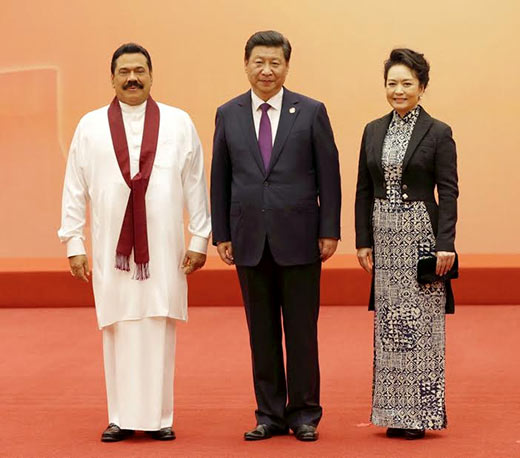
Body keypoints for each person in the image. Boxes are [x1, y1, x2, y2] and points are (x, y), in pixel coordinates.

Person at [58, 43, 211, 442]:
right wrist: (74, 242)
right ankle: (120, 416)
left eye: (140, 70)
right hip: (113, 252)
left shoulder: (178, 123)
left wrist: (199, 237)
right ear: (111, 78)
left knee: (158, 327)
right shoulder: (89, 126)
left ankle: (160, 417)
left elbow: (194, 183)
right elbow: (74, 188)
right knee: (118, 328)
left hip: (164, 250)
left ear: (151, 75)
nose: (132, 78)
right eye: (124, 71)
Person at [210, 30, 341, 442]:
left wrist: (330, 230)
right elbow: (221, 177)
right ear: (246, 64)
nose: (267, 70)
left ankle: (303, 413)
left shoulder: (311, 111)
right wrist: (222, 233)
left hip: (301, 237)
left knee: (301, 331)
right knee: (261, 332)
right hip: (248, 239)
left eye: (275, 63)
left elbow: (329, 176)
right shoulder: (227, 113)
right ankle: (269, 414)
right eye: (259, 62)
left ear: (287, 65)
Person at [355, 48, 458, 439]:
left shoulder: (438, 132)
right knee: (390, 326)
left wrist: (445, 243)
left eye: (407, 83)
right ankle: (392, 413)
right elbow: (363, 190)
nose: (398, 90)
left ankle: (420, 415)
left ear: (422, 87)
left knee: (423, 326)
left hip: (421, 237)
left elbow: (448, 192)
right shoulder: (372, 130)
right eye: (392, 83)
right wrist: (363, 241)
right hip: (383, 235)